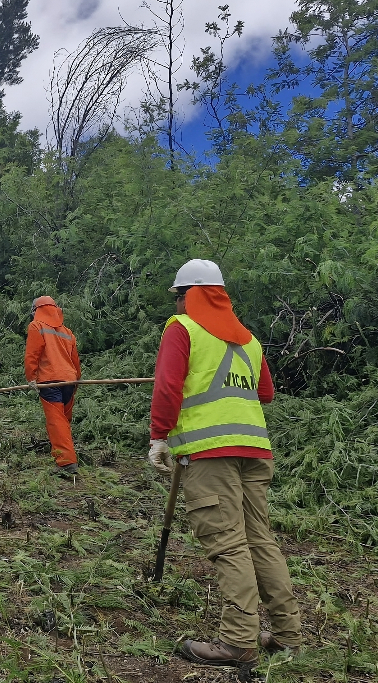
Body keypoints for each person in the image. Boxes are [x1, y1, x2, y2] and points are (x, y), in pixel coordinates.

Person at [148, 259, 302, 666]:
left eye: (179, 296)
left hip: (210, 453)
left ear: (190, 295)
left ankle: (237, 642)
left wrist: (159, 437)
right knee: (259, 540)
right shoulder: (248, 339)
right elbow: (264, 393)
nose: (178, 304)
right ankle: (286, 636)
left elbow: (167, 387)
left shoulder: (182, 328)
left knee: (228, 544)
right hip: (255, 450)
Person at [25, 296, 82, 477]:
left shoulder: (36, 327)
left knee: (57, 422)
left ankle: (66, 463)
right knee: (63, 421)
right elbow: (75, 359)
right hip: (69, 380)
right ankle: (64, 452)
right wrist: (77, 380)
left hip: (50, 381)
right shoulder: (67, 331)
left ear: (36, 310)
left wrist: (31, 377)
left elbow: (32, 354)